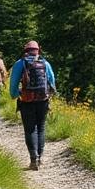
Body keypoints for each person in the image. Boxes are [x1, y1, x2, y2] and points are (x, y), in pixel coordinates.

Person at [9, 40, 56, 170]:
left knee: (30, 129)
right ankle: (40, 157)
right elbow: (52, 80)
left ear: (26, 50)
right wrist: (50, 94)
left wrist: (14, 94)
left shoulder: (20, 63)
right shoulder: (45, 63)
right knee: (41, 128)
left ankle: (33, 159)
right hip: (43, 100)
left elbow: (13, 82)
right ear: (38, 50)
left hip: (27, 101)